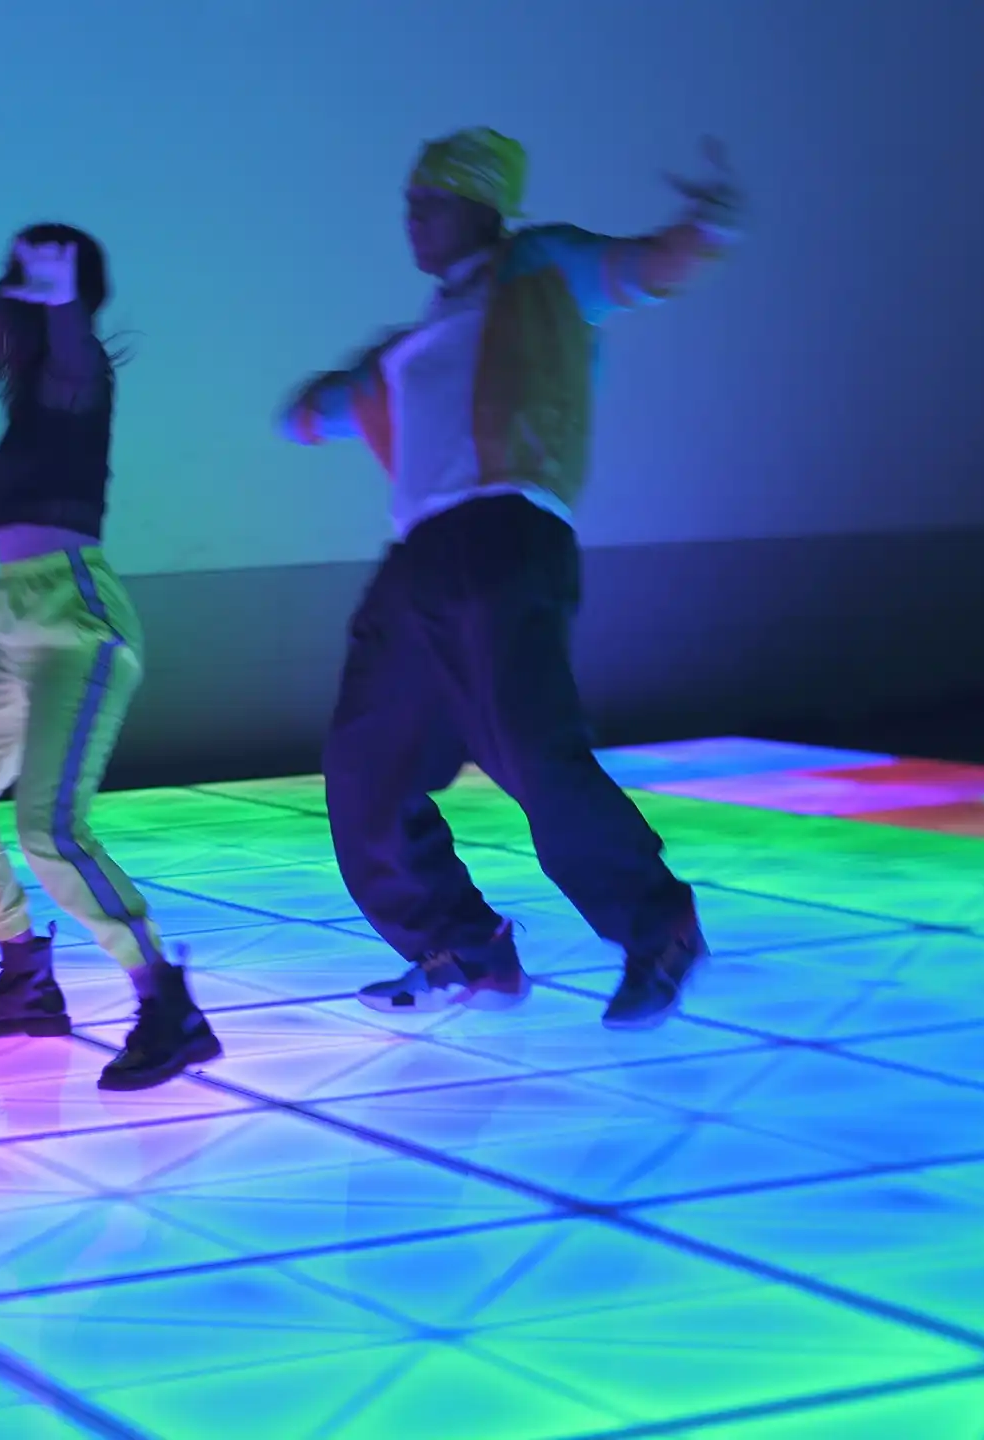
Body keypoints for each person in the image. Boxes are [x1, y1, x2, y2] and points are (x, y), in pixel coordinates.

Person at [277, 129, 744, 1029]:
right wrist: (318, 404)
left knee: (530, 748)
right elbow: (316, 413)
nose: (410, 219)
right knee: (366, 767)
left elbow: (648, 267)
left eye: (430, 202)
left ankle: (660, 929)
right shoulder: (410, 342)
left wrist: (710, 223)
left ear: (481, 206)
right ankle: (466, 948)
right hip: (417, 558)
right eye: (408, 202)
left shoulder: (541, 266)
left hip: (506, 532)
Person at [0, 223, 221, 1091]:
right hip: (16, 632)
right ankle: (25, 971)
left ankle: (165, 999)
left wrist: (62, 300)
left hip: (78, 621)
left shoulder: (83, 384)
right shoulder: (21, 425)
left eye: (44, 283)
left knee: (48, 828)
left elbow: (77, 353)